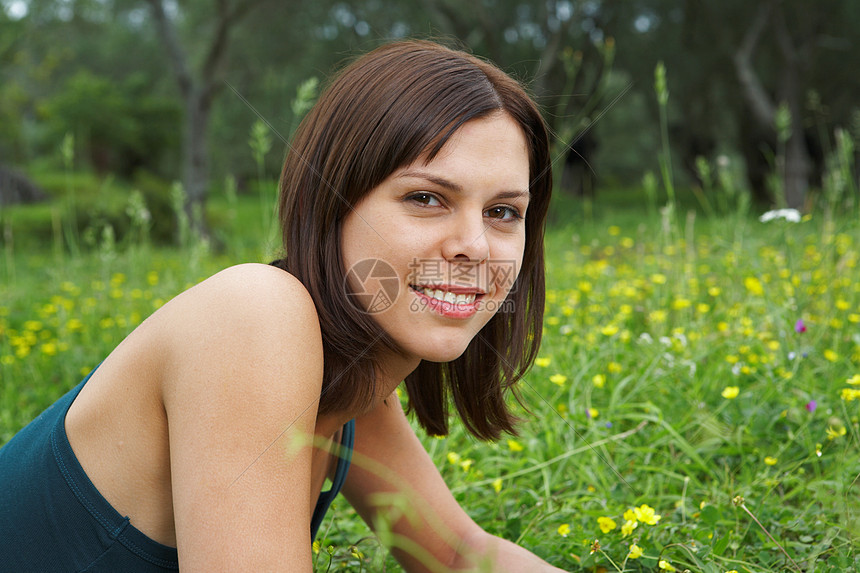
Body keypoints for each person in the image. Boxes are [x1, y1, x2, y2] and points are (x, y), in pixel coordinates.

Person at [0, 40, 564, 571]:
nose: (476, 245)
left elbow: (463, 555)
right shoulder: (255, 314)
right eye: (426, 198)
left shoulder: (352, 377)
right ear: (332, 202)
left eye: (503, 212)